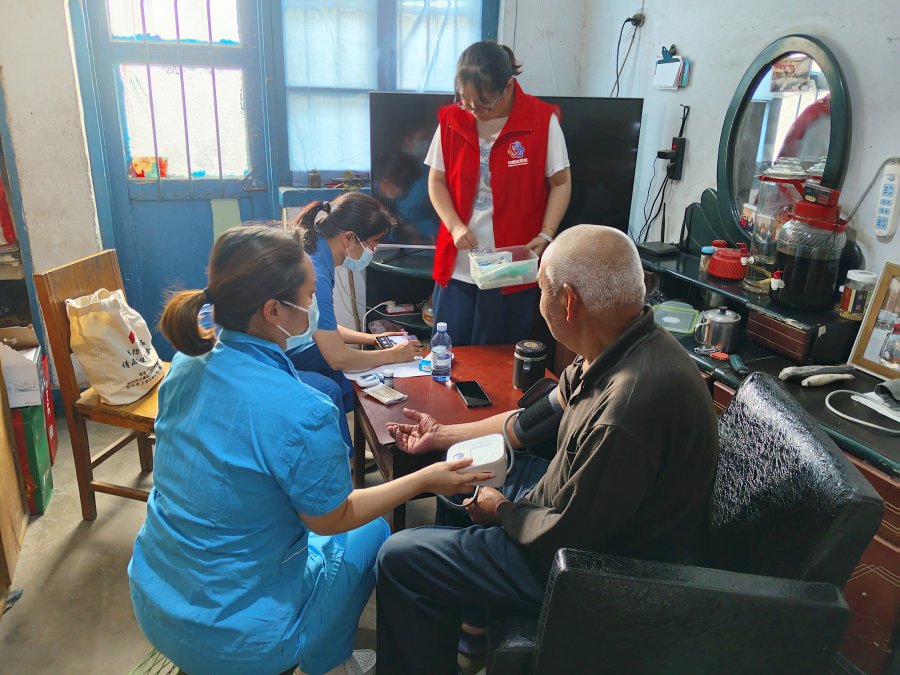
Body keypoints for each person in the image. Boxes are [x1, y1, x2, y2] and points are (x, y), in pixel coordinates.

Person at [128, 225, 493, 675]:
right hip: (238, 640)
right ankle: (326, 663)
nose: (314, 304)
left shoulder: (184, 364)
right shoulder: (303, 409)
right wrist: (424, 478)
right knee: (371, 532)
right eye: (309, 294)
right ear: (274, 311)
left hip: (154, 598)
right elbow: (331, 518)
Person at [375, 225, 720, 674]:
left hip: (596, 570)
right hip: (579, 508)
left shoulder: (629, 409)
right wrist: (444, 436)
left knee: (401, 558)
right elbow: (528, 423)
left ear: (568, 302)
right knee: (461, 474)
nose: (540, 301)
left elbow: (568, 534)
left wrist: (502, 511)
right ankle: (469, 635)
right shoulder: (618, 345)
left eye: (541, 290)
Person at [426, 40, 572, 346]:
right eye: (464, 101)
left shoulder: (540, 121)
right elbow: (436, 181)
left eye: (482, 103)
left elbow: (561, 183)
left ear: (508, 86)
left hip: (511, 269)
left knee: (499, 359)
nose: (473, 111)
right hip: (458, 266)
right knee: (448, 353)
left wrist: (546, 234)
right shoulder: (452, 120)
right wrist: (455, 226)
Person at [288, 192, 422, 448]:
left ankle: (363, 443)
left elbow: (322, 326)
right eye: (373, 242)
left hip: (282, 346)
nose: (374, 250)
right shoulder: (316, 271)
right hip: (261, 356)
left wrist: (375, 339)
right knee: (329, 388)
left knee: (348, 380)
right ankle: (339, 459)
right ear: (348, 237)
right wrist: (392, 355)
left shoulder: (318, 253)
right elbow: (337, 357)